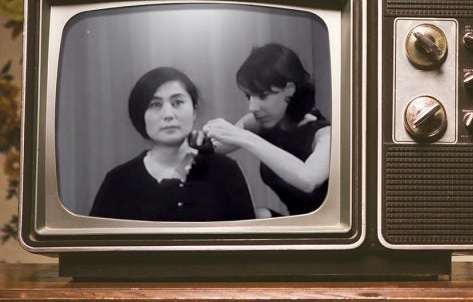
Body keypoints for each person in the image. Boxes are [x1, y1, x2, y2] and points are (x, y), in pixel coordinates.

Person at [90, 66, 255, 222]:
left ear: (194, 111)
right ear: (140, 116)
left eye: (177, 103)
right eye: (155, 105)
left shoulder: (226, 171)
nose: (168, 114)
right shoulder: (118, 181)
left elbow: (247, 246)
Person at [200, 43, 331, 217]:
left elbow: (308, 180)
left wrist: (244, 137)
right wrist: (200, 137)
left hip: (328, 232)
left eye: (263, 95)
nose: (252, 106)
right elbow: (218, 147)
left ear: (289, 90)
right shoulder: (259, 121)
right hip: (293, 224)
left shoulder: (325, 134)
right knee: (255, 214)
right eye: (249, 96)